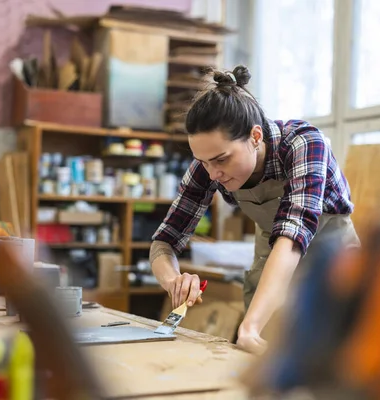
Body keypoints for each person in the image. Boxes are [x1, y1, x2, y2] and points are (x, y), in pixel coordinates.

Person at [149, 65, 360, 354]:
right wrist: (174, 280)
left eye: (221, 160)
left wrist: (248, 327)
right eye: (204, 162)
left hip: (329, 248)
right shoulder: (208, 166)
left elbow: (292, 236)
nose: (212, 174)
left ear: (256, 136)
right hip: (272, 246)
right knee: (262, 352)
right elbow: (164, 240)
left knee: (336, 345)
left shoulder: (304, 144)